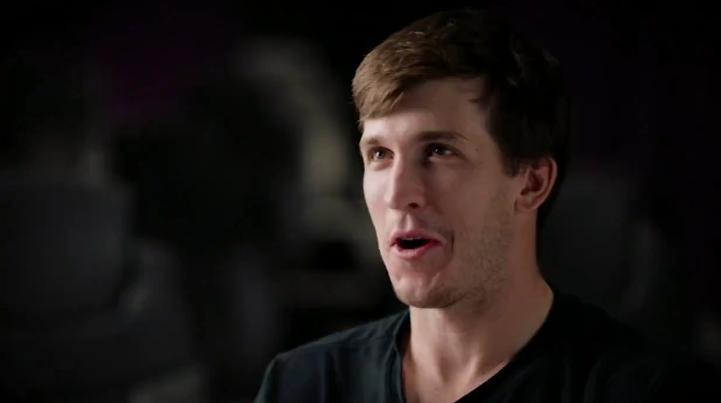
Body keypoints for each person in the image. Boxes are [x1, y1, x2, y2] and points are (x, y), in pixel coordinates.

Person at [253, 9, 717, 403]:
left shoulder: (647, 391)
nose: (397, 192)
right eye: (379, 154)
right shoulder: (303, 385)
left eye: (439, 151)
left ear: (532, 183)